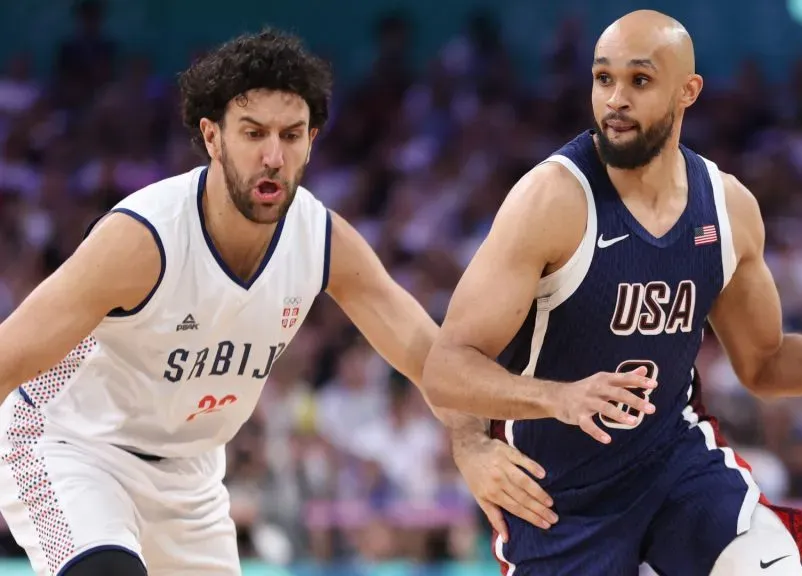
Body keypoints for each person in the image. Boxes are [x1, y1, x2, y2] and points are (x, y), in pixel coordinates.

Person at [0, 29, 546, 576]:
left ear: (311, 140)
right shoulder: (143, 239)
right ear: (212, 137)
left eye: (291, 135)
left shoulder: (321, 240)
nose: (273, 156)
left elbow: (434, 365)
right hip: (69, 447)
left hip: (189, 473)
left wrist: (471, 442)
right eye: (253, 133)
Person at [422, 10, 802, 576]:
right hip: (556, 495)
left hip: (675, 469)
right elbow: (447, 368)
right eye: (603, 78)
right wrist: (556, 400)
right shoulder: (551, 200)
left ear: (688, 91)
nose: (615, 99)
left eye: (639, 80)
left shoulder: (728, 209)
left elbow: (764, 361)